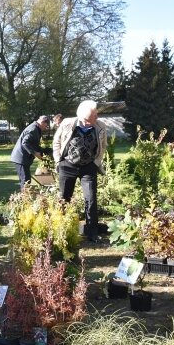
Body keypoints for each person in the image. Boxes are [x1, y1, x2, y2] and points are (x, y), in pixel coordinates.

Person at [53, 100, 107, 243]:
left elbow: (103, 146)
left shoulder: (100, 126)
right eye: (92, 118)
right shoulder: (67, 123)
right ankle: (62, 230)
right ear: (82, 118)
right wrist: (58, 160)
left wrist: (96, 163)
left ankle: (92, 233)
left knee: (91, 199)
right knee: (64, 198)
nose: (95, 119)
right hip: (67, 165)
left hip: (88, 167)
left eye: (95, 115)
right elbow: (56, 142)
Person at [10, 115, 52, 188]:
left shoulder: (36, 128)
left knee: (26, 180)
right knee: (25, 181)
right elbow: (25, 143)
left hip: (23, 158)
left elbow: (33, 144)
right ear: (43, 122)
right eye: (46, 126)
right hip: (21, 158)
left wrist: (43, 151)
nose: (45, 128)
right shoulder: (33, 129)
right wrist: (35, 153)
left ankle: (24, 197)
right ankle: (24, 198)